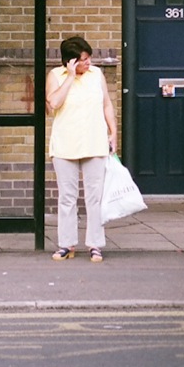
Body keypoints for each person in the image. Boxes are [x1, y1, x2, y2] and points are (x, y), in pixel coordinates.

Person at [45, 36, 117, 263]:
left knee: (94, 197)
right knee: (67, 197)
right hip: (65, 144)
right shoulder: (56, 76)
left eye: (89, 58)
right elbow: (53, 103)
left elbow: (106, 104)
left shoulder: (97, 75)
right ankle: (67, 244)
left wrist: (113, 132)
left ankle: (95, 244)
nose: (89, 63)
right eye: (84, 60)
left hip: (94, 142)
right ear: (71, 61)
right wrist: (71, 77)